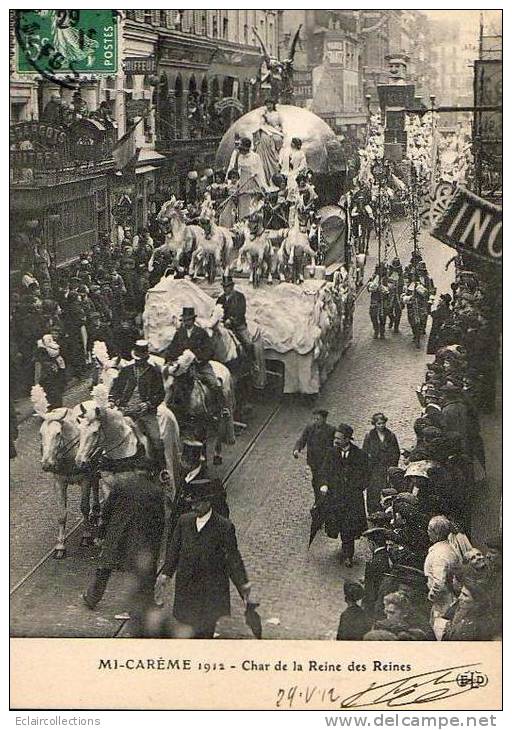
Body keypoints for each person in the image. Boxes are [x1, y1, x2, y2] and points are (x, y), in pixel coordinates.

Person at [156, 478, 251, 638]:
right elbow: (174, 549)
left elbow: (233, 560)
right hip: (186, 588)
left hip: (211, 590)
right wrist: (166, 573)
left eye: (198, 503)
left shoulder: (224, 527)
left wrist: (243, 588)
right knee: (186, 632)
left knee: (205, 633)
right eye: (192, 502)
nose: (193, 506)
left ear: (208, 503)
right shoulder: (184, 521)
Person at [81, 470, 165, 614]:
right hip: (141, 537)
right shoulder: (155, 491)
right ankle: (145, 603)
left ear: (136, 471)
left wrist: (102, 532)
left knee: (105, 566)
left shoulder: (121, 485)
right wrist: (156, 539)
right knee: (145, 570)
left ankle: (92, 597)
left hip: (117, 533)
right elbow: (159, 519)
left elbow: (107, 510)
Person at [317, 423, 369, 567]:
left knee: (349, 526)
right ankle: (344, 545)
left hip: (352, 499)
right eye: (335, 438)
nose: (336, 441)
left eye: (339, 438)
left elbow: (366, 476)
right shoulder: (331, 453)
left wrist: (358, 488)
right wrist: (324, 484)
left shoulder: (360, 455)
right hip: (335, 498)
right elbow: (324, 471)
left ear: (347, 439)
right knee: (338, 524)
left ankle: (348, 554)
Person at [109, 339, 166, 471]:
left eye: (142, 359)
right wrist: (112, 400)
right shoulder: (126, 370)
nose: (139, 362)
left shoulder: (154, 372)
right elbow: (115, 388)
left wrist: (148, 404)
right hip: (125, 410)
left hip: (145, 413)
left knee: (157, 439)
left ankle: (161, 470)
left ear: (146, 358)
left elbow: (160, 393)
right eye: (137, 359)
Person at [164, 306, 228, 416]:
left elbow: (209, 349)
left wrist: (199, 359)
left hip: (200, 365)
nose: (186, 322)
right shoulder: (180, 333)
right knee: (171, 384)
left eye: (188, 320)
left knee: (213, 383)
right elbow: (172, 348)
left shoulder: (201, 333)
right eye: (184, 320)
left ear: (193, 320)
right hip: (183, 365)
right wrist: (169, 359)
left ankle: (222, 408)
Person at [423, 515, 461, 639]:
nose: (427, 533)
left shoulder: (439, 553)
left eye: (429, 530)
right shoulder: (450, 548)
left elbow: (439, 582)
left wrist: (431, 597)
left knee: (440, 631)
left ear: (436, 533)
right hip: (449, 597)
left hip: (443, 602)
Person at [293, 409, 336, 504]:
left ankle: (325, 501)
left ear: (324, 419)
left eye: (318, 419)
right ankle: (318, 501)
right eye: (314, 419)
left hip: (325, 461)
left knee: (325, 480)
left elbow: (336, 444)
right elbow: (302, 440)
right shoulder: (309, 428)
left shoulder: (331, 430)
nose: (316, 421)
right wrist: (297, 449)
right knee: (316, 481)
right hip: (313, 461)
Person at [362, 412, 400, 514]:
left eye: (383, 423)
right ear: (374, 424)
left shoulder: (391, 435)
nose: (381, 425)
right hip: (374, 469)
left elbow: (396, 452)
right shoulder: (369, 436)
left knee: (387, 489)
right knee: (374, 491)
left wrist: (392, 467)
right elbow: (364, 453)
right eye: (378, 424)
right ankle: (373, 512)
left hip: (387, 467)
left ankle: (387, 511)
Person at [226, 137, 267, 221]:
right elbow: (234, 169)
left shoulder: (255, 157)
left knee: (251, 205)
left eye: (243, 149)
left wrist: (261, 186)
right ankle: (241, 223)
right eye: (240, 149)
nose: (241, 151)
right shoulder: (238, 156)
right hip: (242, 182)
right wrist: (231, 182)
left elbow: (260, 172)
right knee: (242, 204)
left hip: (252, 181)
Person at [216, 275, 254, 361]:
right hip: (224, 326)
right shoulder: (221, 299)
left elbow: (241, 312)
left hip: (238, 326)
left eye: (227, 286)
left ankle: (252, 364)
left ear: (232, 286)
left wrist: (231, 320)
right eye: (224, 286)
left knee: (248, 343)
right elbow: (216, 310)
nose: (225, 288)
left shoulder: (240, 297)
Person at [361, 527, 391, 618]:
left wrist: (365, 608)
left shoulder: (374, 563)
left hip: (375, 602)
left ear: (372, 543)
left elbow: (370, 589)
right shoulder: (387, 554)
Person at [34, 334, 67, 409]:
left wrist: (36, 384)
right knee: (55, 396)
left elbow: (38, 373)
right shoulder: (53, 353)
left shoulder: (47, 354)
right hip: (51, 378)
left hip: (50, 378)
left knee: (53, 396)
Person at [256, 98, 284, 185]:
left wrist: (278, 129)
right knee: (265, 140)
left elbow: (281, 125)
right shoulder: (264, 115)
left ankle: (276, 165)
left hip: (275, 131)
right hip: (266, 132)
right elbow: (260, 125)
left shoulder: (277, 114)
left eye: (270, 104)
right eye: (267, 104)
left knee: (278, 139)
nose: (269, 106)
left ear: (273, 104)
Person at [367, 266, 390, 340]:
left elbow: (390, 287)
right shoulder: (374, 278)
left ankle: (382, 332)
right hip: (374, 300)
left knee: (382, 318)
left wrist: (383, 288)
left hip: (383, 301)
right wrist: (374, 286)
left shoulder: (387, 278)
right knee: (373, 316)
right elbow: (369, 288)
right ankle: (376, 330)